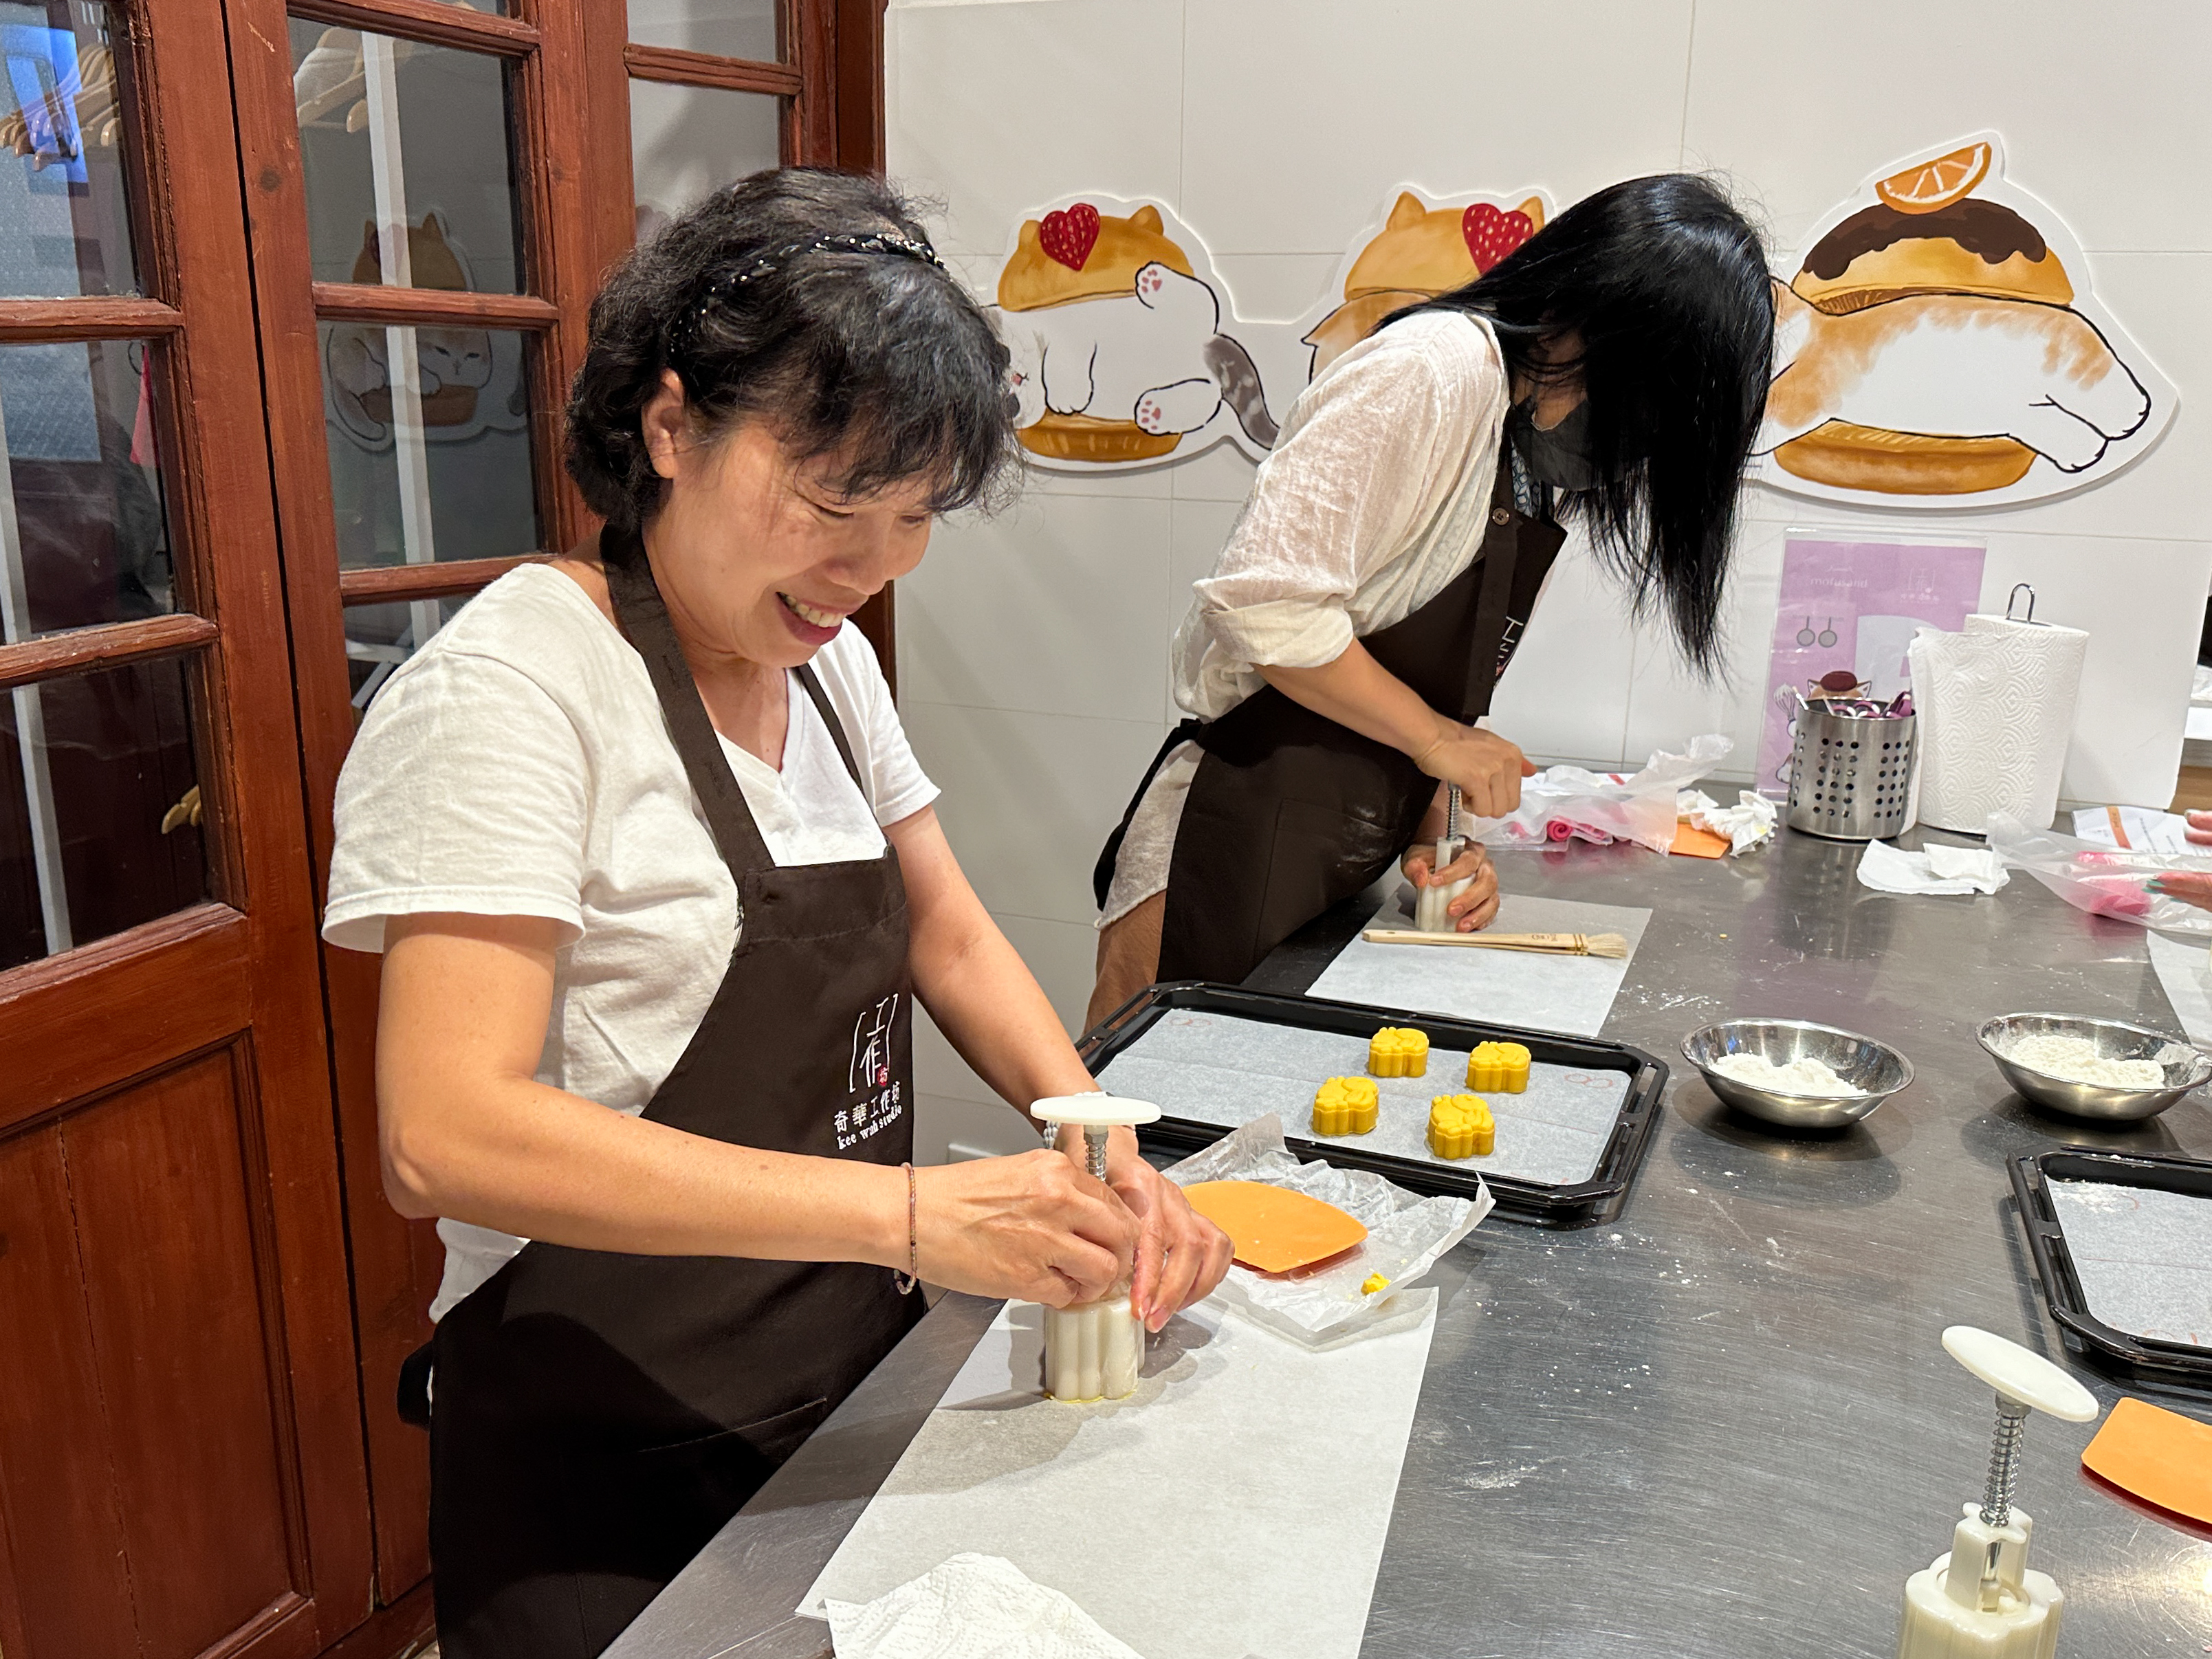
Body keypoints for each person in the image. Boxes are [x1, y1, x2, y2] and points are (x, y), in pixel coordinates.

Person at [322, 169, 1234, 1659]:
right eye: (830, 501)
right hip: (600, 1450)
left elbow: (943, 928)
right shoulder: (515, 692)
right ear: (669, 428)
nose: (869, 566)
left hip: (836, 1392)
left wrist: (1096, 1134)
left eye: (915, 515)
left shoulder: (828, 667)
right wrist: (920, 1213)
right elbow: (445, 1134)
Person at [1088, 175, 1776, 1026]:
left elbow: (1412, 665)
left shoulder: (1517, 451)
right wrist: (1439, 739)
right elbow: (1265, 605)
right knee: (1139, 1125)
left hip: (1334, 854)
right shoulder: (1434, 370)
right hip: (1226, 835)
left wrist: (1437, 837)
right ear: (1609, 335)